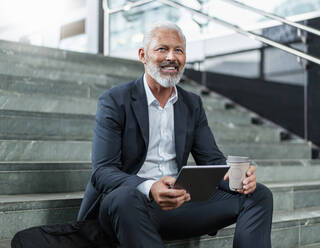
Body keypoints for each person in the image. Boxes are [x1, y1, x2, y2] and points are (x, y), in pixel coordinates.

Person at [77, 22, 273, 248]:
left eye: (178, 50)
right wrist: (150, 187)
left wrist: (238, 178)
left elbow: (212, 161)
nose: (171, 57)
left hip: (179, 201)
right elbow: (103, 172)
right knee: (125, 199)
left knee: (259, 195)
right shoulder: (114, 100)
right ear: (143, 55)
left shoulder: (192, 103)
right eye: (162, 49)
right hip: (130, 205)